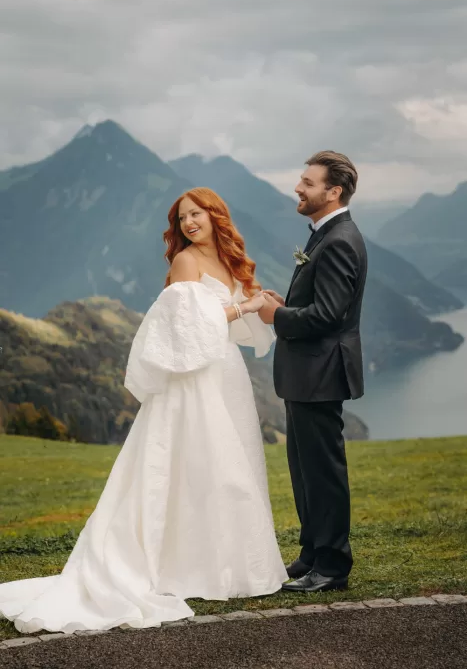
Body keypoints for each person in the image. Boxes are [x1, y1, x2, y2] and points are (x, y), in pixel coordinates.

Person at [0, 187, 286, 635]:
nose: (189, 223)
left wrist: (263, 307)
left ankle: (228, 564)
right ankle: (185, 565)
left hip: (225, 373)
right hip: (193, 379)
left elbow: (238, 322)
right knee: (196, 464)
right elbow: (188, 327)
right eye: (182, 218)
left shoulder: (229, 261)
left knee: (231, 464)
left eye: (197, 214)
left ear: (216, 216)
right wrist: (242, 306)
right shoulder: (185, 261)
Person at [259, 151, 367, 593]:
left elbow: (328, 316)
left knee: (323, 471)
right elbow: (321, 308)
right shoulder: (327, 235)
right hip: (307, 373)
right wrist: (286, 307)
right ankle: (311, 554)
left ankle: (332, 565)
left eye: (307, 182)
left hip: (321, 374)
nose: (298, 188)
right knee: (304, 470)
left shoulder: (340, 240)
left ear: (332, 191)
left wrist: (275, 318)